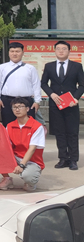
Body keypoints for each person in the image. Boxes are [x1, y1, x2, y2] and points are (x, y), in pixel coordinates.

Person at [40, 40, 84, 171]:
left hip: (71, 104)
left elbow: (82, 85)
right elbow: (43, 83)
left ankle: (73, 160)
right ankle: (63, 158)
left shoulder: (77, 66)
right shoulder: (49, 66)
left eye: (64, 49)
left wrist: (75, 98)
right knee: (59, 132)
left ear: (69, 51)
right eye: (58, 48)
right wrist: (51, 94)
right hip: (56, 104)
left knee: (72, 132)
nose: (61, 51)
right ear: (54, 51)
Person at [0, 98, 45, 192]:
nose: (17, 109)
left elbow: (32, 149)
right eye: (14, 107)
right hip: (16, 157)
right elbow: (7, 146)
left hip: (32, 161)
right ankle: (7, 179)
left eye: (20, 107)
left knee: (28, 178)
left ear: (27, 109)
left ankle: (30, 182)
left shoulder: (37, 126)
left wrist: (22, 165)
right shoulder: (10, 126)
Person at [0, 42, 42, 127]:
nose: (14, 54)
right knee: (8, 125)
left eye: (17, 51)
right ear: (9, 53)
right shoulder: (1, 68)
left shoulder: (30, 68)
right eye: (12, 51)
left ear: (22, 53)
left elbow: (36, 85)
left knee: (28, 126)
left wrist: (37, 101)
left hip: (26, 101)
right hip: (7, 101)